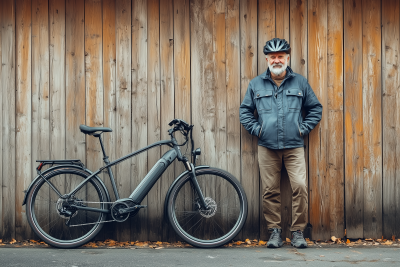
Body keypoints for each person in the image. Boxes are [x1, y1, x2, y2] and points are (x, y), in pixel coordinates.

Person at [239, 38, 322, 248]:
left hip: (294, 145)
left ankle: (297, 232)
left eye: (281, 56)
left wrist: (302, 129)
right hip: (267, 147)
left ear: (288, 57)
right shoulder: (256, 84)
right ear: (267, 59)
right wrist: (258, 130)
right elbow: (245, 112)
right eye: (273, 57)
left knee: (300, 188)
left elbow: (315, 109)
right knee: (270, 191)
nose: (277, 60)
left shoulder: (300, 82)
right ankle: (274, 232)